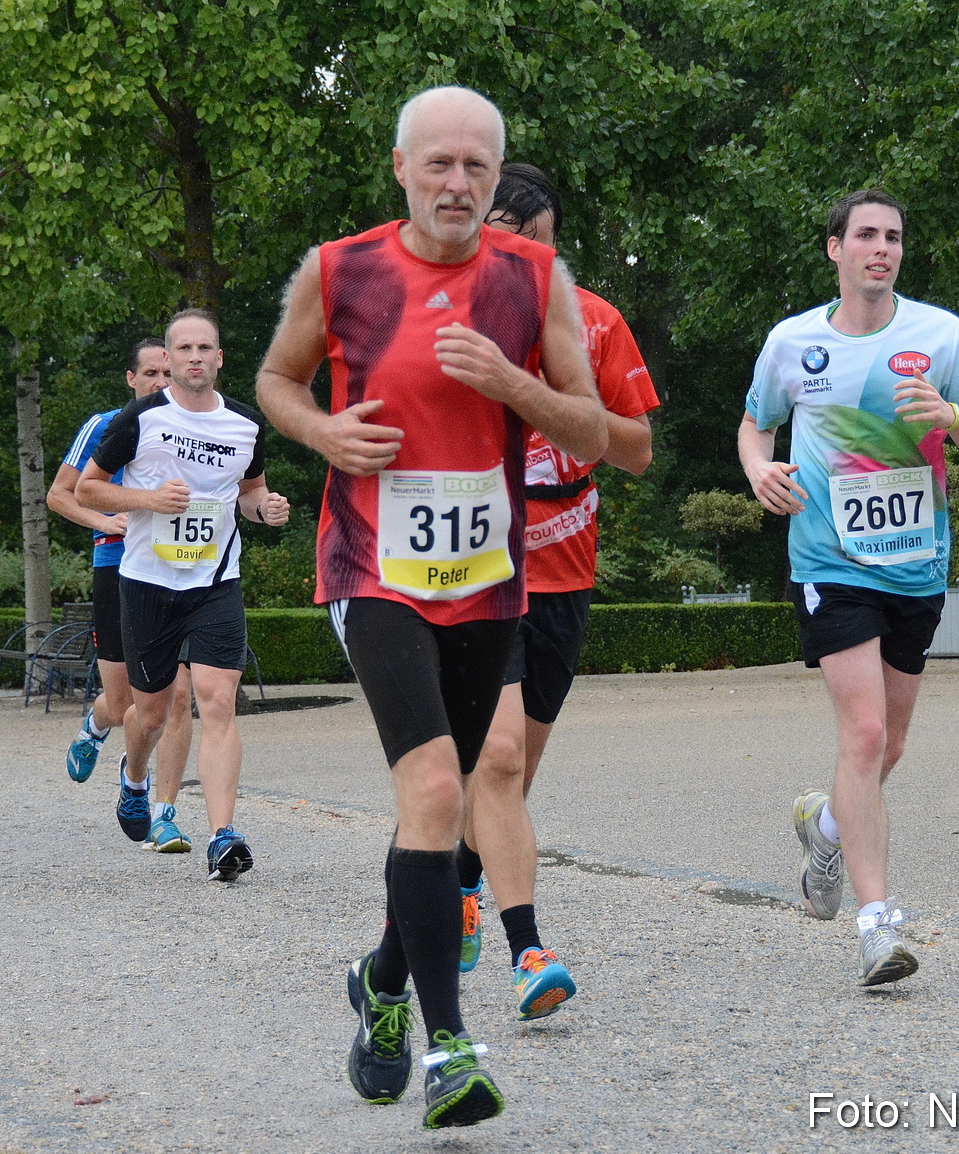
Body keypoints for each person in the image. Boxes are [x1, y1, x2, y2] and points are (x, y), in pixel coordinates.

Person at [256, 86, 606, 1129]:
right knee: (434, 784)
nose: (457, 184)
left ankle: (379, 982)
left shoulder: (535, 279)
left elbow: (589, 430)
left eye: (477, 169)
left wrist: (514, 382)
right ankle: (450, 1046)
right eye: (438, 164)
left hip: (489, 577)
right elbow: (275, 378)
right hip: (373, 570)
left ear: (496, 180)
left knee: (443, 805)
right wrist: (321, 435)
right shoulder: (340, 268)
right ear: (400, 167)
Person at [736, 190, 959, 985]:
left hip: (916, 561)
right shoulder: (792, 343)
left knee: (889, 743)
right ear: (835, 250)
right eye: (865, 236)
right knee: (861, 737)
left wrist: (951, 414)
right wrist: (758, 470)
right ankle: (876, 927)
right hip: (828, 561)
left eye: (892, 237)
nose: (880, 249)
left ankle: (822, 826)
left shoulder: (940, 334)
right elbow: (756, 423)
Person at [457, 161, 660, 1019]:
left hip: (564, 575)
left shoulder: (597, 325)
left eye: (540, 243)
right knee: (495, 757)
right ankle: (527, 950)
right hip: (476, 572)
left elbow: (638, 449)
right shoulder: (452, 325)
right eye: (510, 238)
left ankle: (458, 883)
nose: (526, 256)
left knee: (514, 770)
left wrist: (547, 404)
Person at [77, 308, 288, 879]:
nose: (195, 357)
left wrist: (263, 509)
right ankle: (135, 778)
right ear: (167, 359)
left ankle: (223, 833)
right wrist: (148, 501)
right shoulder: (138, 419)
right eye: (184, 348)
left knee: (216, 701)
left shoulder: (244, 424)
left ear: (219, 358)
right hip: (147, 584)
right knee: (148, 712)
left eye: (205, 348)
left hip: (215, 582)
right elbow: (86, 487)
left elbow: (250, 493)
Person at [48, 339, 194, 852]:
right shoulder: (105, 423)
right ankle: (95, 727)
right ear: (130, 379)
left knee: (176, 699)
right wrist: (105, 520)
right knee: (124, 700)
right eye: (150, 372)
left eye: (166, 372)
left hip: (181, 572)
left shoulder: (194, 426)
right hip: (119, 569)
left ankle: (161, 810)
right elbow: (59, 494)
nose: (159, 381)